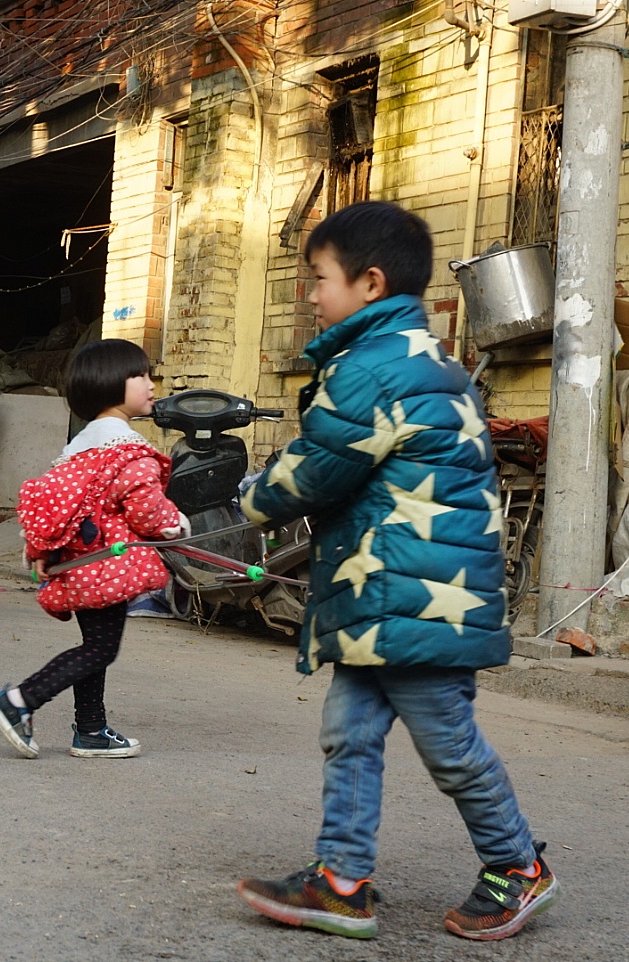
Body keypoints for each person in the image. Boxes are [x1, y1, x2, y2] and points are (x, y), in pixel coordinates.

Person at [233, 201, 557, 941]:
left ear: (370, 283)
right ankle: (342, 881)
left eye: (321, 278)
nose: (311, 295)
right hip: (387, 592)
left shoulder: (376, 367)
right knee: (349, 732)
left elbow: (316, 468)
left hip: (420, 597)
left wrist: (252, 497)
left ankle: (519, 866)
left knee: (448, 743)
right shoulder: (420, 359)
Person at [0, 339, 187, 759]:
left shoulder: (77, 451)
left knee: (96, 646)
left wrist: (40, 549)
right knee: (99, 649)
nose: (152, 384)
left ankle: (91, 729)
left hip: (79, 565)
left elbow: (56, 504)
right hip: (107, 567)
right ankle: (20, 700)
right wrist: (176, 524)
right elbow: (147, 509)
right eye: (141, 376)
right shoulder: (129, 451)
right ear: (111, 384)